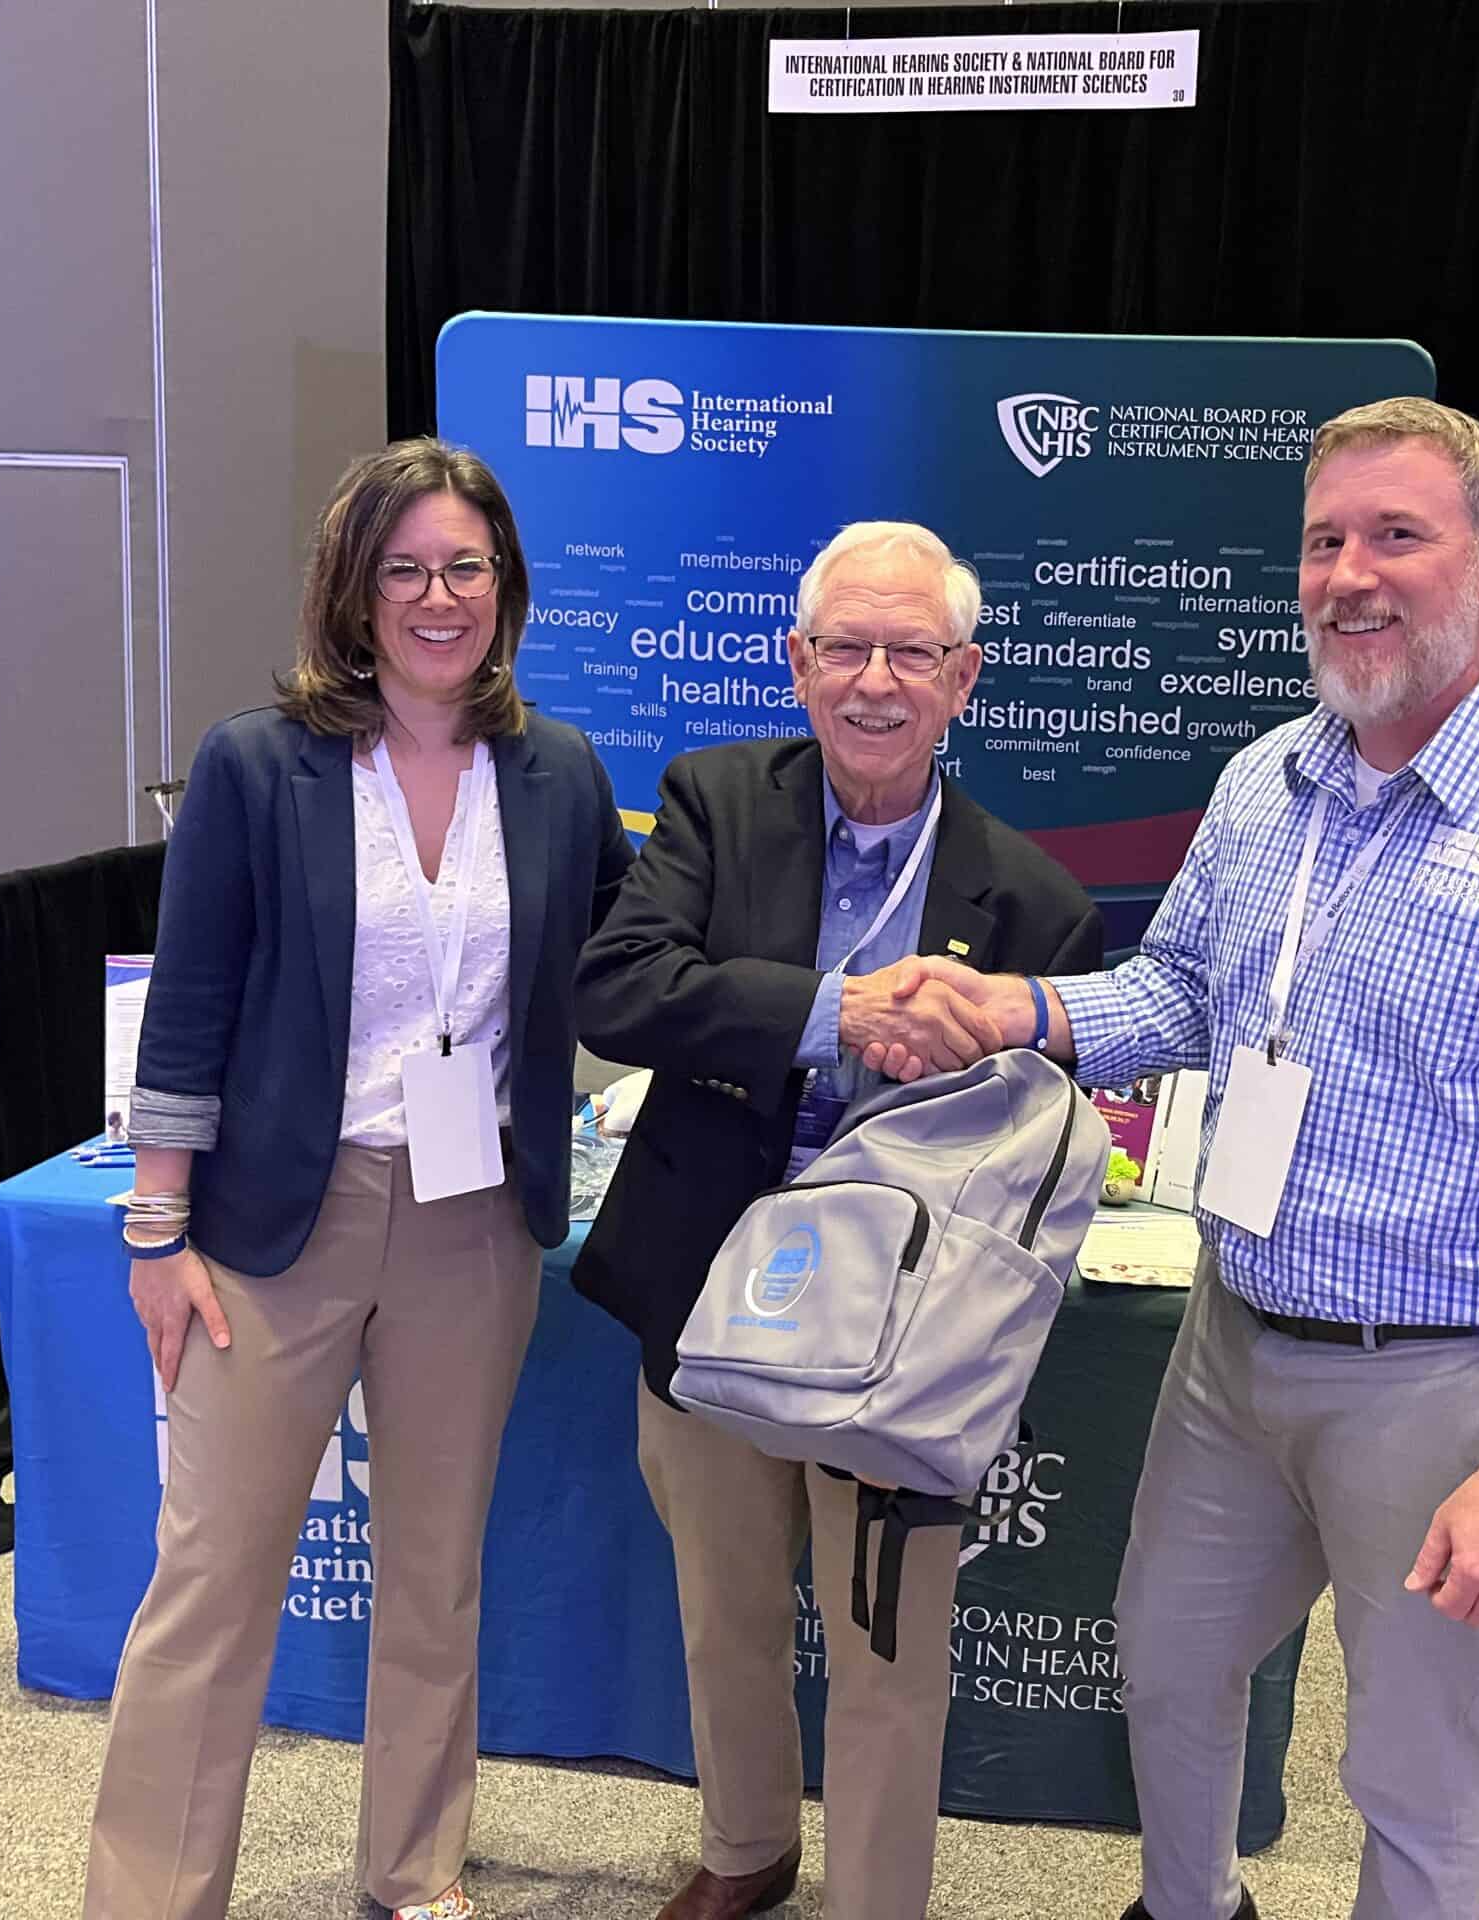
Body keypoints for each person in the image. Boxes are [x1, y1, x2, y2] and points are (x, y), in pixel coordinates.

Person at [871, 399, 1479, 1920]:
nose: (1349, 575)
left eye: (1398, 534)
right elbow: (1188, 994)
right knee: (1166, 1665)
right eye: (1325, 540)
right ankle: (1190, 1909)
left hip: (1439, 1384)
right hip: (1235, 1339)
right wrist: (1033, 1009)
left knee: (1414, 1765)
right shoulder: (1273, 779)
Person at [84, 439, 634, 1920]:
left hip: (472, 1230)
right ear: (355, 587)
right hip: (275, 1230)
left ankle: (414, 1873)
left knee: (437, 1577)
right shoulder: (257, 766)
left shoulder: (562, 773)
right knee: (209, 1587)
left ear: (505, 587)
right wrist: (157, 1230)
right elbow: (188, 1010)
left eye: (466, 566)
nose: (438, 596)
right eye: (406, 568)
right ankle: (149, 1897)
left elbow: (628, 974)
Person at [572, 521, 1106, 1920]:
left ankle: (876, 1899)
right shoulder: (713, 801)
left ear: (965, 677)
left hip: (907, 1344)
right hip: (707, 1293)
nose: (876, 681)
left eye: (911, 652)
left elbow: (1039, 1143)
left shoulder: (1038, 902)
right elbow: (619, 990)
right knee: (726, 1617)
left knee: (888, 1658)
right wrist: (829, 1011)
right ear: (795, 662)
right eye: (846, 648)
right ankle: (746, 1851)